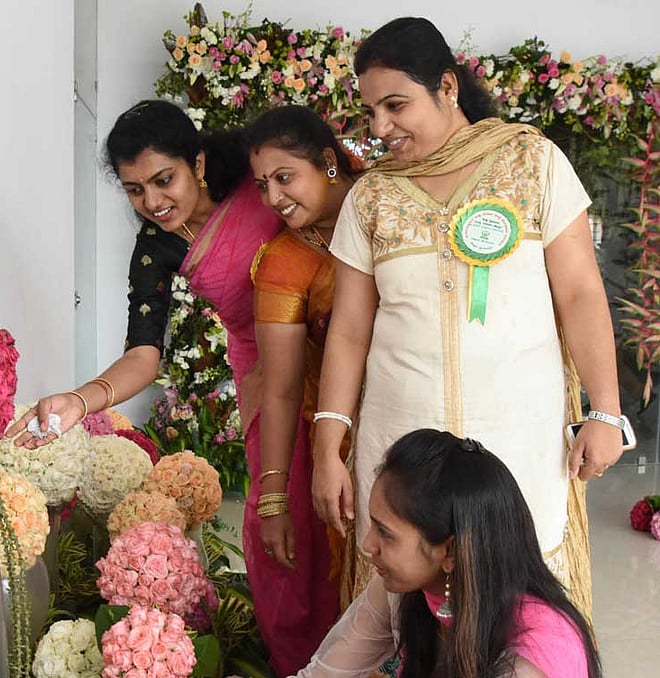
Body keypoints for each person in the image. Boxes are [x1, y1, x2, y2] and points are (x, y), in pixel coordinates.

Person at [311, 17, 623, 619]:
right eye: (371, 111)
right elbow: (349, 333)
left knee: (516, 612)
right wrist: (330, 448)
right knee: (407, 613)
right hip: (400, 441)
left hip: (518, 438)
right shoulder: (371, 198)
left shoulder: (533, 163)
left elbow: (581, 293)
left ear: (447, 88)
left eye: (396, 105)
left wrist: (605, 411)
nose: (381, 128)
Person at [4, 100, 316, 675]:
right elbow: (144, 356)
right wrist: (80, 399)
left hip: (330, 339)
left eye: (162, 179)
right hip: (267, 375)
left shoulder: (257, 181)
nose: (152, 201)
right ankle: (305, 664)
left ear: (197, 162)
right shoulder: (157, 246)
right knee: (283, 522)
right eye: (133, 189)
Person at [294, 429, 602, 678]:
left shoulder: (535, 653)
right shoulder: (405, 589)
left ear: (451, 550)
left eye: (385, 533)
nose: (368, 546)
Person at [245, 105, 357, 622]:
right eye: (263, 184)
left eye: (284, 177)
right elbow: (282, 389)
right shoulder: (284, 262)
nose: (273, 198)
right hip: (347, 442)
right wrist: (274, 500)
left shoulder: (389, 208)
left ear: (329, 163)